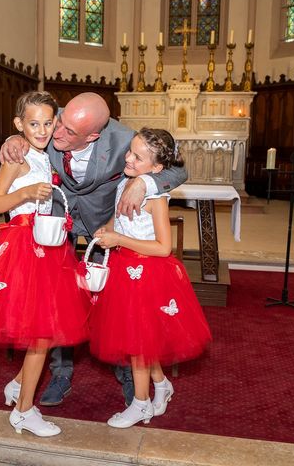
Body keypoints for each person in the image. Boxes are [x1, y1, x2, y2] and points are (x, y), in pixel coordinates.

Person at [0, 92, 187, 407]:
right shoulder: (52, 121)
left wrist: (145, 184)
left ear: (95, 135)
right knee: (56, 304)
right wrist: (11, 139)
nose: (57, 133)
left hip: (106, 225)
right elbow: (28, 136)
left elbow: (178, 170)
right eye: (59, 123)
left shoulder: (124, 139)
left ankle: (128, 373)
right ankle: (59, 373)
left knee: (115, 301)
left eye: (69, 133)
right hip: (54, 223)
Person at [0, 91, 90, 437]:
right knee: (41, 333)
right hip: (24, 246)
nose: (42, 130)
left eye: (48, 123)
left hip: (48, 245)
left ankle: (18, 386)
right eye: (33, 124)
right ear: (19, 125)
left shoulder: (46, 154)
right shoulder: (17, 157)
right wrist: (27, 194)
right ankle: (24, 412)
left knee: (42, 327)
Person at [91, 127, 212, 428]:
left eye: (138, 156)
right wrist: (108, 228)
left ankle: (141, 404)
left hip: (147, 273)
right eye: (130, 151)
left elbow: (163, 247)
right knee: (139, 336)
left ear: (157, 168)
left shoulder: (155, 197)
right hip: (123, 270)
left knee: (138, 342)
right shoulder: (126, 183)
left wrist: (119, 238)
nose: (128, 158)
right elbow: (119, 216)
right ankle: (162, 384)